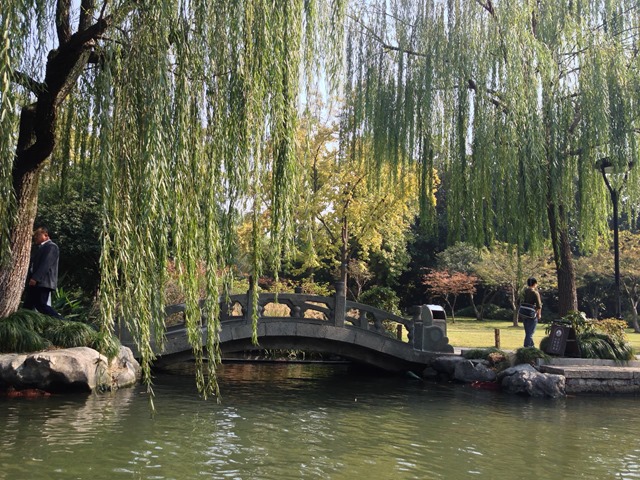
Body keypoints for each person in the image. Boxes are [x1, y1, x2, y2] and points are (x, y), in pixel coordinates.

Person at [24, 227, 63, 318]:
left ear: (46, 235)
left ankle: (61, 321)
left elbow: (46, 264)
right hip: (35, 282)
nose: (35, 237)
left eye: (38, 235)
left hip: (43, 282)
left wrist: (35, 278)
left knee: (41, 305)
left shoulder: (51, 246)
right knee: (27, 305)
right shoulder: (40, 248)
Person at [521, 277, 542, 348]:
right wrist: (539, 314)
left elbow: (518, 302)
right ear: (535, 284)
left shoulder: (523, 292)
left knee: (528, 332)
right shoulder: (535, 293)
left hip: (524, 313)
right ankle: (526, 347)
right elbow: (539, 306)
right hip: (532, 314)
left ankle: (532, 346)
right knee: (530, 333)